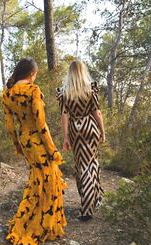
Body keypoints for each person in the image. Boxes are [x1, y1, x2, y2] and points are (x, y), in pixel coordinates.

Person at [2, 58, 67, 245]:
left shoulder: (8, 94)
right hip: (38, 140)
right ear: (31, 74)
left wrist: (17, 145)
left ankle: (41, 222)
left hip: (24, 140)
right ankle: (37, 226)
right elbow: (40, 123)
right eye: (35, 74)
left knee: (39, 180)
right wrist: (52, 149)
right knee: (47, 181)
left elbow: (9, 126)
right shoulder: (33, 91)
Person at [56, 60, 105, 221]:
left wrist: (66, 137)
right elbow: (97, 113)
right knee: (90, 164)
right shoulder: (90, 88)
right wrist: (102, 132)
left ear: (70, 73)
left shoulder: (64, 92)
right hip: (90, 127)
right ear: (83, 71)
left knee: (82, 165)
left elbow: (64, 116)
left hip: (75, 130)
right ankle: (90, 203)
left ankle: (90, 201)